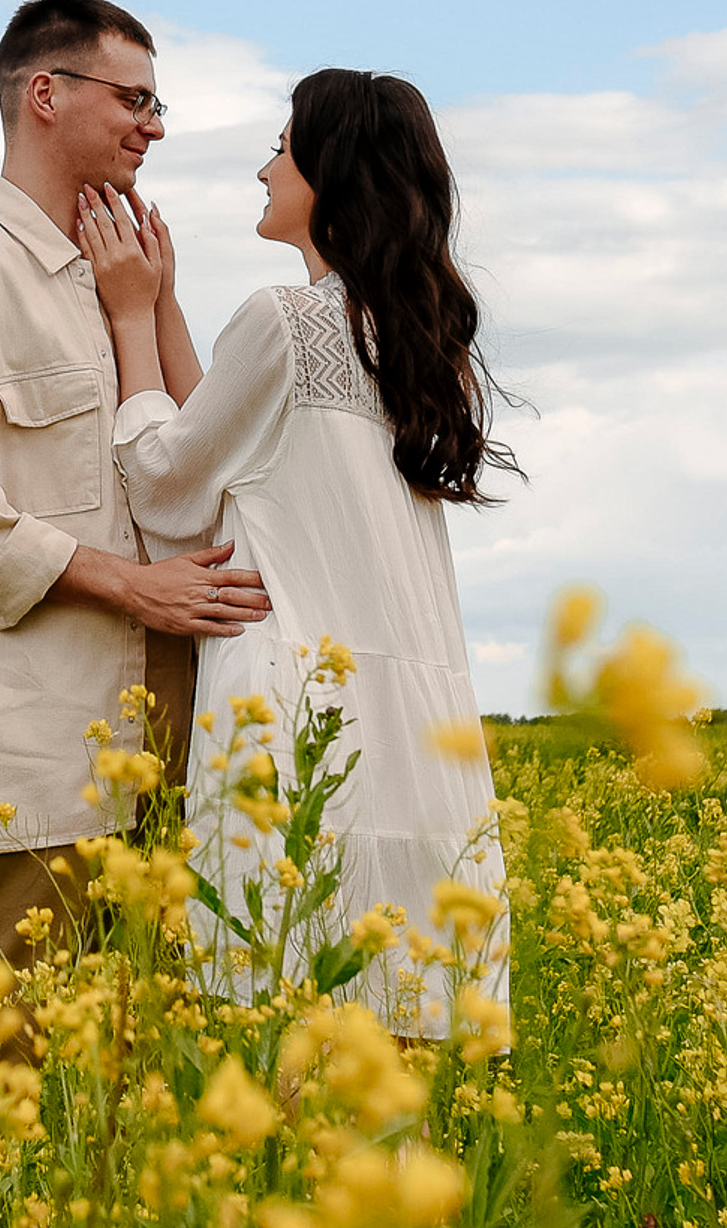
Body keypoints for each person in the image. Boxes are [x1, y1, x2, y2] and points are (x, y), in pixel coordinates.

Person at [0, 0, 272, 1012]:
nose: (156, 124)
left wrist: (159, 301)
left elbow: (193, 464)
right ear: (45, 94)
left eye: (157, 101)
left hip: (171, 744)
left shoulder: (120, 274)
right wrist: (133, 588)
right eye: (134, 97)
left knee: (137, 1077)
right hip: (30, 753)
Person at [76, 66, 514, 1030]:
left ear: (331, 170)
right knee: (384, 1059)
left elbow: (169, 481)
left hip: (296, 728)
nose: (266, 165)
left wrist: (124, 315)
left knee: (278, 1038)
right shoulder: (403, 338)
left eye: (282, 145)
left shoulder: (289, 319)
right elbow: (236, 436)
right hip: (413, 744)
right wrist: (167, 304)